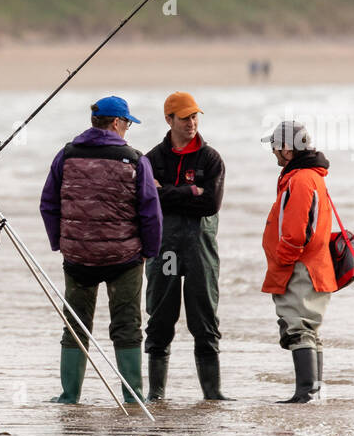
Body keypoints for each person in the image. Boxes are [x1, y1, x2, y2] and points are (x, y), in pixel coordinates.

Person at [40, 95, 162, 405]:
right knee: (127, 325)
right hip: (125, 258)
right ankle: (133, 397)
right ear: (117, 123)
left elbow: (49, 203)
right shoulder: (135, 160)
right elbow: (150, 211)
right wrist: (150, 250)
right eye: (127, 124)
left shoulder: (66, 155)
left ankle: (69, 396)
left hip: (78, 258)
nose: (127, 131)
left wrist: (60, 242)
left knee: (76, 324)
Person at [144, 91, 229, 402]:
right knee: (160, 319)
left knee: (204, 319)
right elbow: (145, 201)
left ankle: (213, 394)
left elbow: (210, 204)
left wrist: (166, 192)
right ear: (169, 120)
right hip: (165, 248)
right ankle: (155, 394)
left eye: (195, 116)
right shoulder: (152, 159)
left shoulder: (211, 158)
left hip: (200, 249)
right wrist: (189, 191)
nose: (192, 122)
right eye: (185, 117)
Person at [261, 120, 337, 403]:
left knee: (299, 327)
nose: (273, 153)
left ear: (287, 150)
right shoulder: (311, 176)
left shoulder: (301, 179)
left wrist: (283, 259)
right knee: (309, 328)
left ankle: (306, 393)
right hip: (314, 265)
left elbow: (295, 231)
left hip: (302, 268)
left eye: (274, 147)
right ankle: (313, 392)